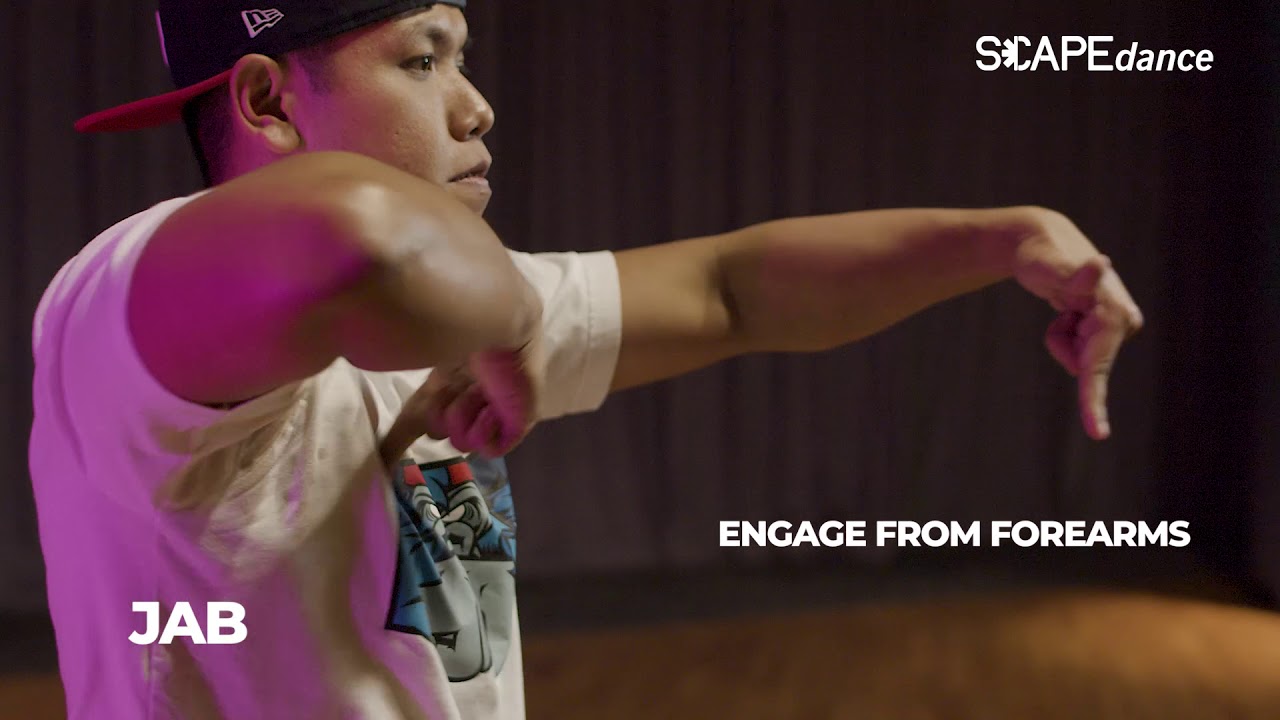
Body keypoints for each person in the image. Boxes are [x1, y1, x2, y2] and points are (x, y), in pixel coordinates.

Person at [28, 1, 1143, 718]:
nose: (476, 106)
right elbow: (368, 240)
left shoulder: (448, 302)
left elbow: (729, 291)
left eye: (461, 58)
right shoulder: (117, 299)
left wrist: (1000, 239)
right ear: (269, 101)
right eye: (422, 59)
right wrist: (509, 309)